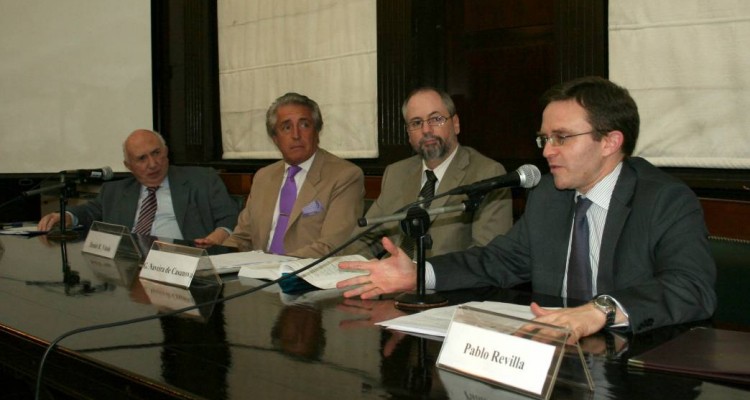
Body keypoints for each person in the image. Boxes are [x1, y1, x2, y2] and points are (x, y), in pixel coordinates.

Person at [337, 76, 717, 342]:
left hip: (635, 364)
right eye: (544, 137)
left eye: (562, 138)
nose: (546, 150)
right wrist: (422, 273)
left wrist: (600, 310)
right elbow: (496, 261)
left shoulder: (665, 200)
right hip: (554, 360)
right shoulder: (550, 196)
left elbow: (692, 288)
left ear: (610, 141)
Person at [348, 87, 512, 259]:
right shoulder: (396, 173)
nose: (426, 130)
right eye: (416, 123)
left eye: (436, 119)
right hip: (390, 281)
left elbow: (487, 257)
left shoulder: (487, 173)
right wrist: (366, 267)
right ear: (409, 134)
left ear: (455, 124)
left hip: (444, 283)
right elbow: (364, 237)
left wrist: (419, 276)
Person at [222, 92, 365, 258]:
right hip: (258, 274)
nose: (296, 135)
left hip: (306, 277)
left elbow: (331, 246)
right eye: (286, 127)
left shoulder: (345, 176)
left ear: (317, 132)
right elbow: (242, 238)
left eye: (304, 125)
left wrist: (272, 267)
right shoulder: (263, 177)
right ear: (275, 138)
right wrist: (214, 259)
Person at [38, 129, 238, 244]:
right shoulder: (115, 191)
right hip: (130, 268)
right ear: (129, 166)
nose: (153, 163)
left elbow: (230, 217)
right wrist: (65, 216)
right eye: (142, 159)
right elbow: (90, 211)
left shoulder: (201, 180)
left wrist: (215, 239)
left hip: (182, 267)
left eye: (156, 153)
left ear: (166, 151)